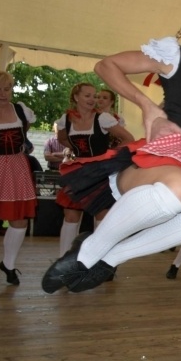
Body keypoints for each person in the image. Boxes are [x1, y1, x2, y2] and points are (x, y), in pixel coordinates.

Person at [42, 0, 181, 294]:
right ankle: (87, 252)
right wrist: (147, 105)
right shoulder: (175, 57)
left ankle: (109, 259)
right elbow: (106, 66)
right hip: (158, 157)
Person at [54, 82, 134, 257]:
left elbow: (128, 138)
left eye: (95, 96)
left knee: (101, 216)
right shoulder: (66, 120)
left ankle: (97, 259)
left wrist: (109, 156)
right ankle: (63, 259)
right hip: (77, 171)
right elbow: (62, 139)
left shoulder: (102, 118)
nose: (93, 99)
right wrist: (77, 151)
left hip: (99, 172)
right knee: (71, 215)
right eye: (88, 95)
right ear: (76, 97)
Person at [0, 71, 37, 285]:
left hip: (16, 166)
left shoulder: (21, 110)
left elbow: (24, 134)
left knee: (19, 219)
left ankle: (9, 265)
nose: (3, 94)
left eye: (7, 88)